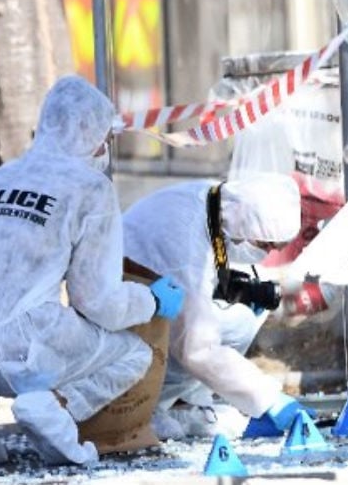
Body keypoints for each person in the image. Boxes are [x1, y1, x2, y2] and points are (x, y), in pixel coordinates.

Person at [0, 76, 186, 466]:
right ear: (90, 132)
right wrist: (151, 299)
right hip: (21, 351)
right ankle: (52, 410)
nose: (105, 149)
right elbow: (98, 302)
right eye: (105, 139)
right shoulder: (89, 188)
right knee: (132, 355)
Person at [122, 173, 308, 439]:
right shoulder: (185, 244)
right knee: (206, 334)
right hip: (128, 330)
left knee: (240, 320)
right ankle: (152, 404)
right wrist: (268, 398)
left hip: (145, 306)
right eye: (264, 245)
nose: (267, 253)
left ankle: (187, 402)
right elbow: (196, 348)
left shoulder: (216, 204)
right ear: (245, 224)